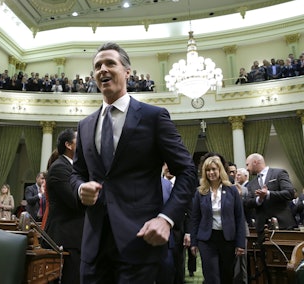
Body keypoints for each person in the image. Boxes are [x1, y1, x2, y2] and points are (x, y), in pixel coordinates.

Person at [70, 42, 197, 283]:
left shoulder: (153, 117)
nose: (102, 70)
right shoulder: (85, 125)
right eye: (97, 66)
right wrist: (79, 188)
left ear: (128, 71)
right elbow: (77, 173)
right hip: (93, 247)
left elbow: (187, 171)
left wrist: (166, 218)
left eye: (110, 63)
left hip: (140, 242)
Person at [190, 156, 246, 284]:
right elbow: (195, 218)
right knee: (211, 277)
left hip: (228, 240)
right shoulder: (200, 192)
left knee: (227, 275)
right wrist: (193, 242)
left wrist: (240, 243)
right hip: (207, 240)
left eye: (213, 169)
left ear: (220, 170)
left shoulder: (232, 190)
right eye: (208, 170)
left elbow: (239, 217)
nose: (211, 172)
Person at [45, 129, 85, 283]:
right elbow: (75, 201)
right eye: (78, 140)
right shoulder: (59, 168)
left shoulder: (74, 168)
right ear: (68, 145)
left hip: (75, 236)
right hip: (66, 237)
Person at [244, 153, 296, 242]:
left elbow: (290, 193)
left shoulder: (279, 173)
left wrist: (268, 194)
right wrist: (259, 199)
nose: (247, 168)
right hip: (262, 229)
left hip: (282, 225)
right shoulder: (251, 184)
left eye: (247, 164)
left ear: (255, 162)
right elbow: (247, 203)